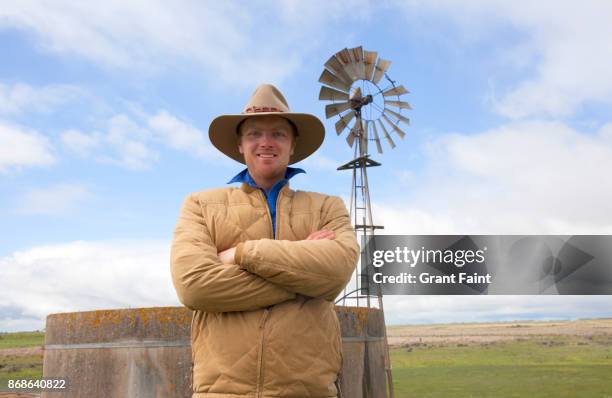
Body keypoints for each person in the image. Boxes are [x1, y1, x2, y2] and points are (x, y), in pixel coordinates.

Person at [171, 83, 359, 398]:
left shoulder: (327, 206)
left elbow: (336, 275)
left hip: (310, 390)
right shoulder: (201, 204)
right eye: (254, 133)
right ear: (241, 145)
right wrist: (306, 274)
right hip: (221, 391)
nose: (266, 142)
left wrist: (241, 254)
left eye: (279, 134)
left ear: (293, 145)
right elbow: (194, 285)